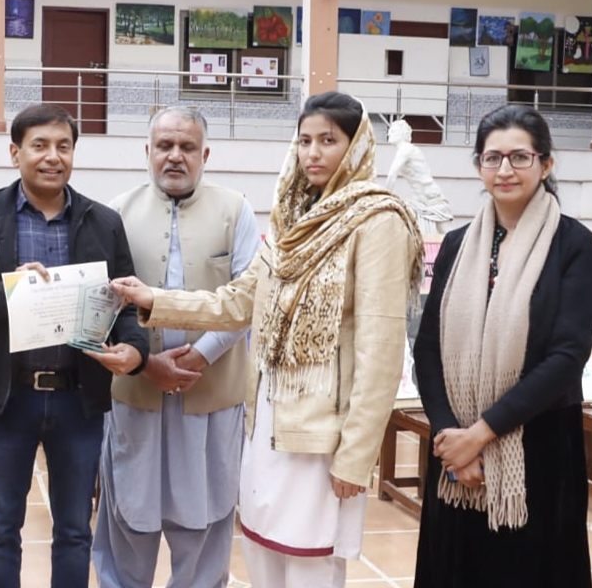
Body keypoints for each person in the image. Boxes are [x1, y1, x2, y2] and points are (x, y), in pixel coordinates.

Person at [113, 91, 423, 587]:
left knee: (310, 567)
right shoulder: (290, 222)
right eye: (304, 140)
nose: (313, 153)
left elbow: (381, 351)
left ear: (357, 146)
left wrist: (357, 455)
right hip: (268, 424)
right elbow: (237, 301)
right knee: (262, 557)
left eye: (328, 140)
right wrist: (154, 298)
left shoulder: (377, 221)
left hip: (321, 435)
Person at [0, 103, 150, 588]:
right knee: (0, 531)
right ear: (15, 153)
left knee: (75, 530)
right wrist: (10, 291)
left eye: (64, 146)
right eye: (39, 146)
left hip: (79, 401)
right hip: (8, 400)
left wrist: (135, 353)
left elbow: (127, 308)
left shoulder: (103, 222)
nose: (53, 157)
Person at [412, 105, 592, 587]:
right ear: (478, 165)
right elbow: (428, 348)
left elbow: (566, 357)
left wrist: (482, 433)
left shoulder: (574, 244)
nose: (505, 170)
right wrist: (453, 437)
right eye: (492, 158)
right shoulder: (456, 244)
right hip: (454, 453)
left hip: (538, 449)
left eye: (520, 157)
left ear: (546, 164)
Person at [92, 106, 260, 588]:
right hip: (136, 395)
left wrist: (200, 355)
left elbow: (250, 296)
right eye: (164, 146)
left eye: (187, 147)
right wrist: (147, 366)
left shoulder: (236, 210)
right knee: (129, 517)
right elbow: (102, 305)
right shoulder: (116, 213)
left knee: (205, 519)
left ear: (205, 154)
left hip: (210, 397)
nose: (175, 156)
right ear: (147, 152)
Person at [385, 119, 454, 235]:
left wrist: (385, 197)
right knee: (405, 222)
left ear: (402, 133)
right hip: (418, 199)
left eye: (393, 130)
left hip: (429, 197)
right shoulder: (406, 149)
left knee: (447, 233)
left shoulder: (405, 149)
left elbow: (392, 175)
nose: (389, 133)